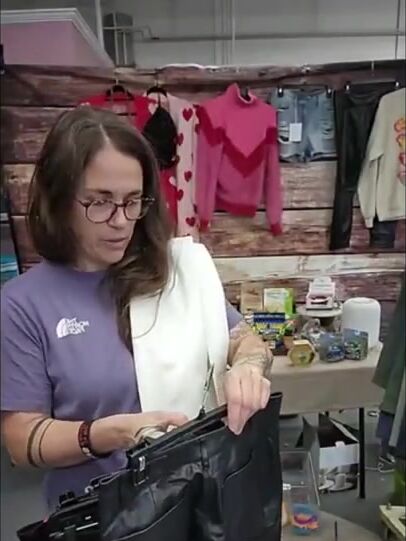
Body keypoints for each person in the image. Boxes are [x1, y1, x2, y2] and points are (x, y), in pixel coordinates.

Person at [1, 106, 273, 511]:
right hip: (100, 521)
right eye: (100, 202)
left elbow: (244, 340)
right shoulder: (23, 304)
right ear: (59, 200)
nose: (121, 221)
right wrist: (102, 435)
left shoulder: (176, 272)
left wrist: (249, 367)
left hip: (197, 505)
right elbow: (21, 440)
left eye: (133, 201)